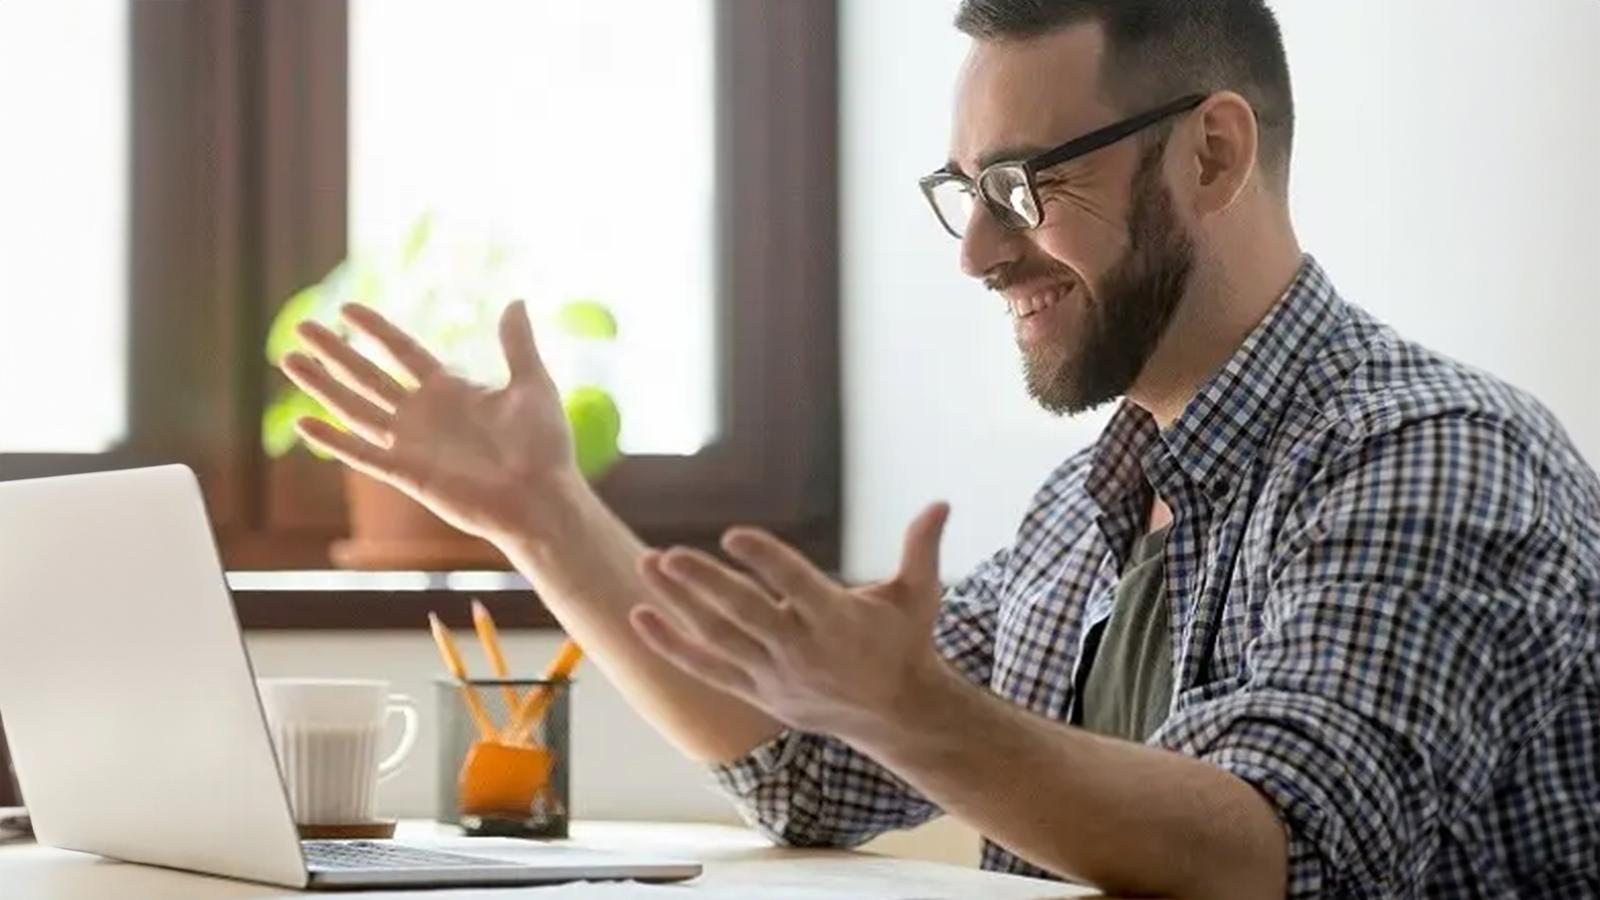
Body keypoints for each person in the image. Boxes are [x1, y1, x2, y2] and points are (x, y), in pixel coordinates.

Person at [278, 1, 1600, 896]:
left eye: (1027, 184)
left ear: (1211, 152)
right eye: (965, 192)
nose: (976, 249)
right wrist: (541, 513)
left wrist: (917, 711)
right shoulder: (1089, 510)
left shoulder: (1432, 456)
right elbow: (800, 765)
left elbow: (1274, 848)